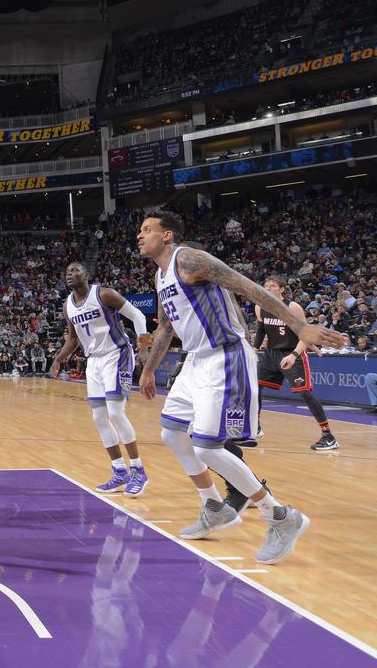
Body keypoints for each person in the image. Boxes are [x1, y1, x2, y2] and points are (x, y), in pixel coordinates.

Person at [137, 211, 348, 564]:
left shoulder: (188, 259)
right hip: (195, 362)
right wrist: (148, 370)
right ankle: (214, 507)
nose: (139, 235)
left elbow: (249, 287)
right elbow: (164, 328)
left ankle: (281, 517)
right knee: (172, 434)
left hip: (225, 357)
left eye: (147, 230)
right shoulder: (160, 276)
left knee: (206, 448)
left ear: (168, 235)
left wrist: (299, 326)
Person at [49, 262, 151, 496]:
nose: (69, 274)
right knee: (99, 418)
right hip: (94, 361)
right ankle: (120, 472)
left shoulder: (104, 294)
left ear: (86, 274)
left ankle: (138, 471)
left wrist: (143, 347)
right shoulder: (68, 306)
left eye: (74, 270)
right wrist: (57, 360)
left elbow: (136, 315)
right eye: (67, 271)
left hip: (117, 354)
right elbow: (73, 340)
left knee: (116, 412)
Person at [253, 275, 337, 451]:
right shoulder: (260, 306)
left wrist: (293, 355)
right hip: (271, 353)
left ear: (282, 289)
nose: (267, 288)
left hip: (293, 352)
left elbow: (305, 336)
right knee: (254, 387)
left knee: (305, 393)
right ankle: (255, 426)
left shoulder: (293, 307)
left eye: (272, 286)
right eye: (265, 285)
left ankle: (328, 436)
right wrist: (254, 351)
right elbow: (261, 330)